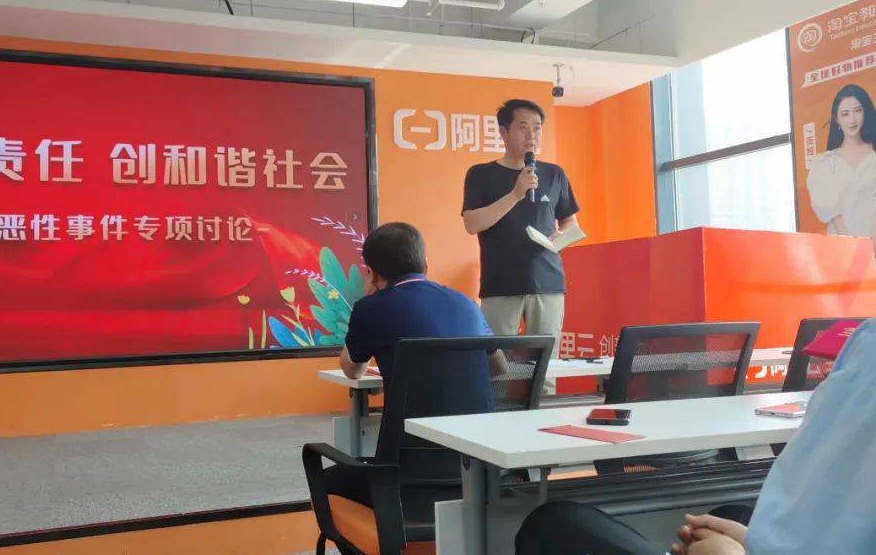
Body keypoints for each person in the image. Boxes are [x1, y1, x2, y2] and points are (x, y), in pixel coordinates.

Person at [513, 318, 876, 555]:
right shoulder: (864, 343)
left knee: (553, 524)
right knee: (730, 514)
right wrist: (754, 541)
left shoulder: (865, 347)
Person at [462, 99, 579, 360]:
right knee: (498, 368)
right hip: (500, 285)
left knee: (545, 368)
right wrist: (516, 194)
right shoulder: (481, 174)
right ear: (503, 132)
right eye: (523, 128)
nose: (531, 136)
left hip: (548, 284)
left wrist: (561, 236)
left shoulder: (554, 174)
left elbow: (570, 222)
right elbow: (472, 223)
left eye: (537, 128)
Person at [339, 221, 496, 383]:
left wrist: (366, 305)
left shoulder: (370, 308)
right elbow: (498, 366)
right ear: (425, 264)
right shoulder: (468, 304)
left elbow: (353, 371)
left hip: (412, 401)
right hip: (477, 400)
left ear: (372, 274)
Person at [806, 84, 876, 247]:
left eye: (857, 111)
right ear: (837, 119)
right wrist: (853, 248)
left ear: (865, 112)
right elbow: (833, 214)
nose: (852, 120)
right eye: (845, 114)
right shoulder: (826, 163)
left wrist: (872, 248)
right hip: (842, 248)